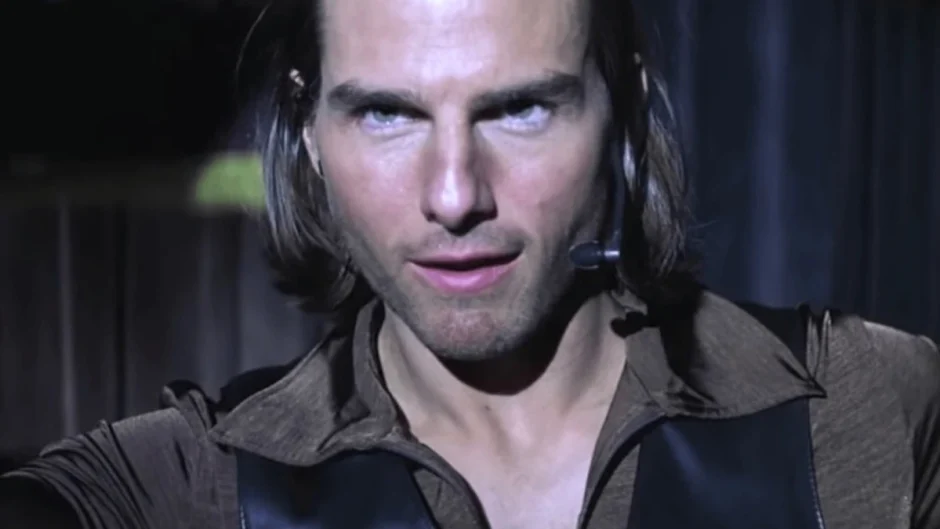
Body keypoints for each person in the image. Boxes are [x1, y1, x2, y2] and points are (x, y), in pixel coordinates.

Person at [2, 0, 939, 527]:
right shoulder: (192, 483)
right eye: (387, 113)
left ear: (620, 111)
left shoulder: (870, 406)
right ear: (309, 130)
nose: (454, 196)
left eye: (519, 108)